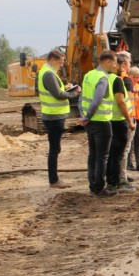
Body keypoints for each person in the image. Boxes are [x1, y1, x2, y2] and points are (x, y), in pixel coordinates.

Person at [37, 49, 80, 189]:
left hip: (51, 114)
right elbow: (58, 95)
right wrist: (74, 92)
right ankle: (54, 180)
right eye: (60, 62)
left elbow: (55, 90)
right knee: (55, 149)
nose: (62, 65)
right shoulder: (49, 74)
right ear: (53, 60)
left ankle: (54, 179)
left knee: (55, 148)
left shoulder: (46, 72)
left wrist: (66, 87)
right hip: (54, 116)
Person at [80, 51, 118, 197]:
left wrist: (84, 116)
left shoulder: (89, 75)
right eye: (114, 62)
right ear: (107, 62)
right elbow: (96, 101)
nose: (115, 65)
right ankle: (99, 188)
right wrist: (87, 116)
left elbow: (82, 97)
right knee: (102, 157)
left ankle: (92, 186)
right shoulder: (103, 78)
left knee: (93, 155)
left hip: (90, 122)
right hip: (102, 122)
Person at [107, 53, 137, 193]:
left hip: (111, 119)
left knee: (112, 153)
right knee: (119, 153)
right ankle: (117, 181)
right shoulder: (118, 80)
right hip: (120, 120)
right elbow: (121, 102)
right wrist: (130, 121)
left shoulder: (104, 78)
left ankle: (114, 181)